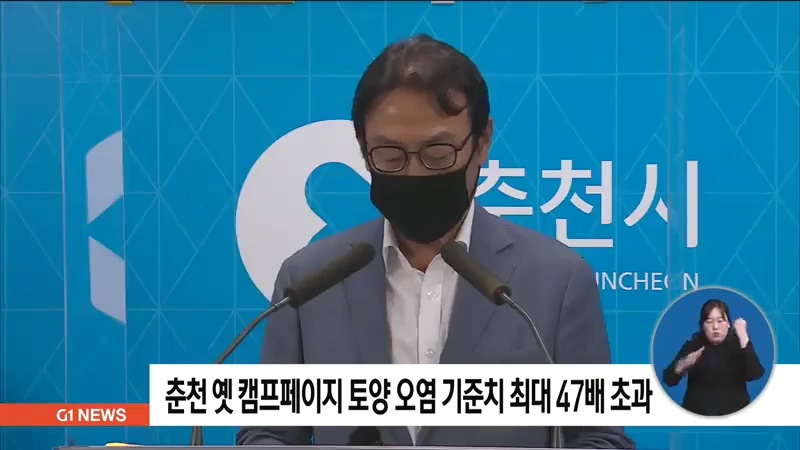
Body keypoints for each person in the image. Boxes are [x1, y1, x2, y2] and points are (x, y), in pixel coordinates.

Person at [236, 35, 634, 449]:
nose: (415, 173)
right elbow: (269, 433)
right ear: (362, 148)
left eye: (438, 152)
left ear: (482, 141)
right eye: (389, 154)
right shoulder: (307, 280)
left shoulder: (558, 280)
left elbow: (598, 437)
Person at [662, 299, 766, 416]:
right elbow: (668, 379)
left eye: (720, 321)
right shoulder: (694, 346)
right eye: (709, 321)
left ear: (728, 324)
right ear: (702, 326)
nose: (715, 327)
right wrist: (683, 364)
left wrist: (743, 335)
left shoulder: (739, 346)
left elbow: (755, 374)